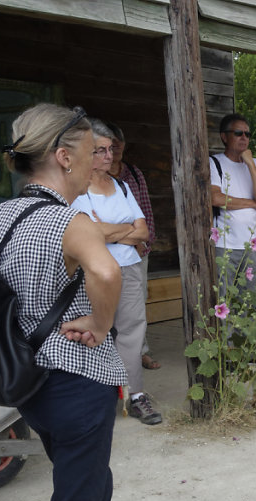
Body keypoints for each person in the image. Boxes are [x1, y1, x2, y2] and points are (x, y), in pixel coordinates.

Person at [0, 104, 137, 501]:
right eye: (88, 150)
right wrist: (101, 324)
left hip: (31, 381)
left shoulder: (1, 217)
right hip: (76, 380)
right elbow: (107, 272)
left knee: (94, 483)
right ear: (62, 156)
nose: (96, 161)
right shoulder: (67, 220)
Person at [71, 119, 161, 425]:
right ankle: (95, 396)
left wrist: (108, 231)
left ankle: (134, 395)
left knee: (132, 329)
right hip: (93, 270)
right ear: (87, 152)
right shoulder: (77, 190)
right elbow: (87, 234)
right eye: (101, 150)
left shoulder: (121, 186)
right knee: (92, 331)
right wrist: (124, 230)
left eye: (110, 149)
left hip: (129, 267)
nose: (109, 156)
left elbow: (143, 231)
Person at [209, 113, 256, 364]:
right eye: (238, 133)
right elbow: (216, 198)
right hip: (225, 245)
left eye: (247, 134)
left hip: (252, 244)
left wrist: (249, 164)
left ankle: (248, 350)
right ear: (224, 136)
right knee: (224, 299)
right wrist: (251, 202)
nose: (244, 138)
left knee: (250, 298)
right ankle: (226, 354)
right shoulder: (215, 163)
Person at [107, 121, 160, 371]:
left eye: (119, 142)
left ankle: (140, 352)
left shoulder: (133, 173)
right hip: (106, 251)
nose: (115, 147)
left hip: (137, 251)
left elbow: (146, 210)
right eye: (110, 143)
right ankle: (112, 356)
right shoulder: (95, 177)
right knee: (108, 303)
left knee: (136, 303)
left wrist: (143, 242)